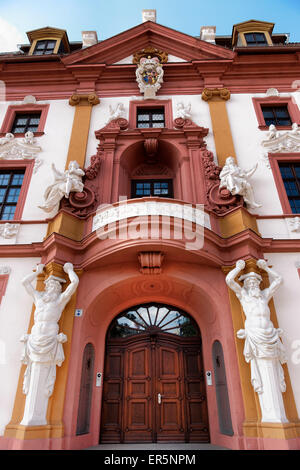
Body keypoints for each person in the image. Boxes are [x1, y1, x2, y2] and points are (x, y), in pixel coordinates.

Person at [225, 259, 286, 394]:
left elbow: (279, 280)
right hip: (255, 335)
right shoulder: (244, 296)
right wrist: (238, 268)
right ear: (246, 285)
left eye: (255, 282)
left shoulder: (264, 296)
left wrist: (266, 268)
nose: (253, 285)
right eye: (250, 283)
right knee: (260, 369)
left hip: (270, 333)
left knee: (274, 367)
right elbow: (229, 280)